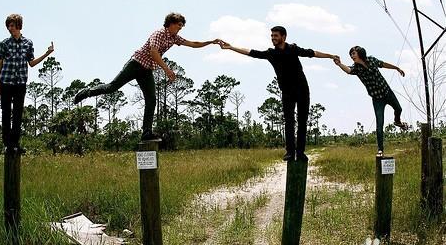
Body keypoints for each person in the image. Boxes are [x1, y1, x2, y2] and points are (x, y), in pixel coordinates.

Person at [73, 12, 221, 141]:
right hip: (135, 64)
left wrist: (211, 42)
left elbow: (193, 43)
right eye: (179, 25)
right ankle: (87, 92)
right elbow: (153, 52)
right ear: (171, 23)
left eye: (182, 26)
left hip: (146, 70)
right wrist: (167, 69)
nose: (180, 28)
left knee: (151, 100)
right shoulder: (158, 34)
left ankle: (146, 132)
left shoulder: (174, 38)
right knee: (112, 87)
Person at [219, 26, 338, 161]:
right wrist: (231, 47)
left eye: (276, 36)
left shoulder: (293, 49)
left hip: (302, 90)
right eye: (272, 36)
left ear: (284, 36)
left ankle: (300, 153)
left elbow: (313, 53)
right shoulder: (271, 53)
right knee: (289, 122)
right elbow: (251, 52)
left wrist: (330, 56)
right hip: (287, 92)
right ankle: (289, 152)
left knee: (302, 122)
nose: (273, 38)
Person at [0, 14, 54, 153]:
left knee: (17, 114)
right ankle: (7, 144)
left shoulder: (28, 43)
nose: (10, 29)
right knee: (6, 113)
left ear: (19, 26)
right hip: (6, 82)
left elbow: (32, 63)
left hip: (20, 83)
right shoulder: (4, 43)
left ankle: (15, 144)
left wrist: (47, 53)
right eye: (8, 26)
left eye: (12, 26)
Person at [333, 46, 407, 157]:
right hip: (377, 99)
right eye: (351, 55)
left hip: (387, 92)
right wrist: (339, 64)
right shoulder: (356, 68)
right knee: (379, 124)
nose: (352, 56)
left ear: (360, 53)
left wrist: (396, 68)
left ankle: (397, 121)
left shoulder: (371, 60)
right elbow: (348, 70)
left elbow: (383, 64)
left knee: (399, 109)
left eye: (353, 53)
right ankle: (380, 150)